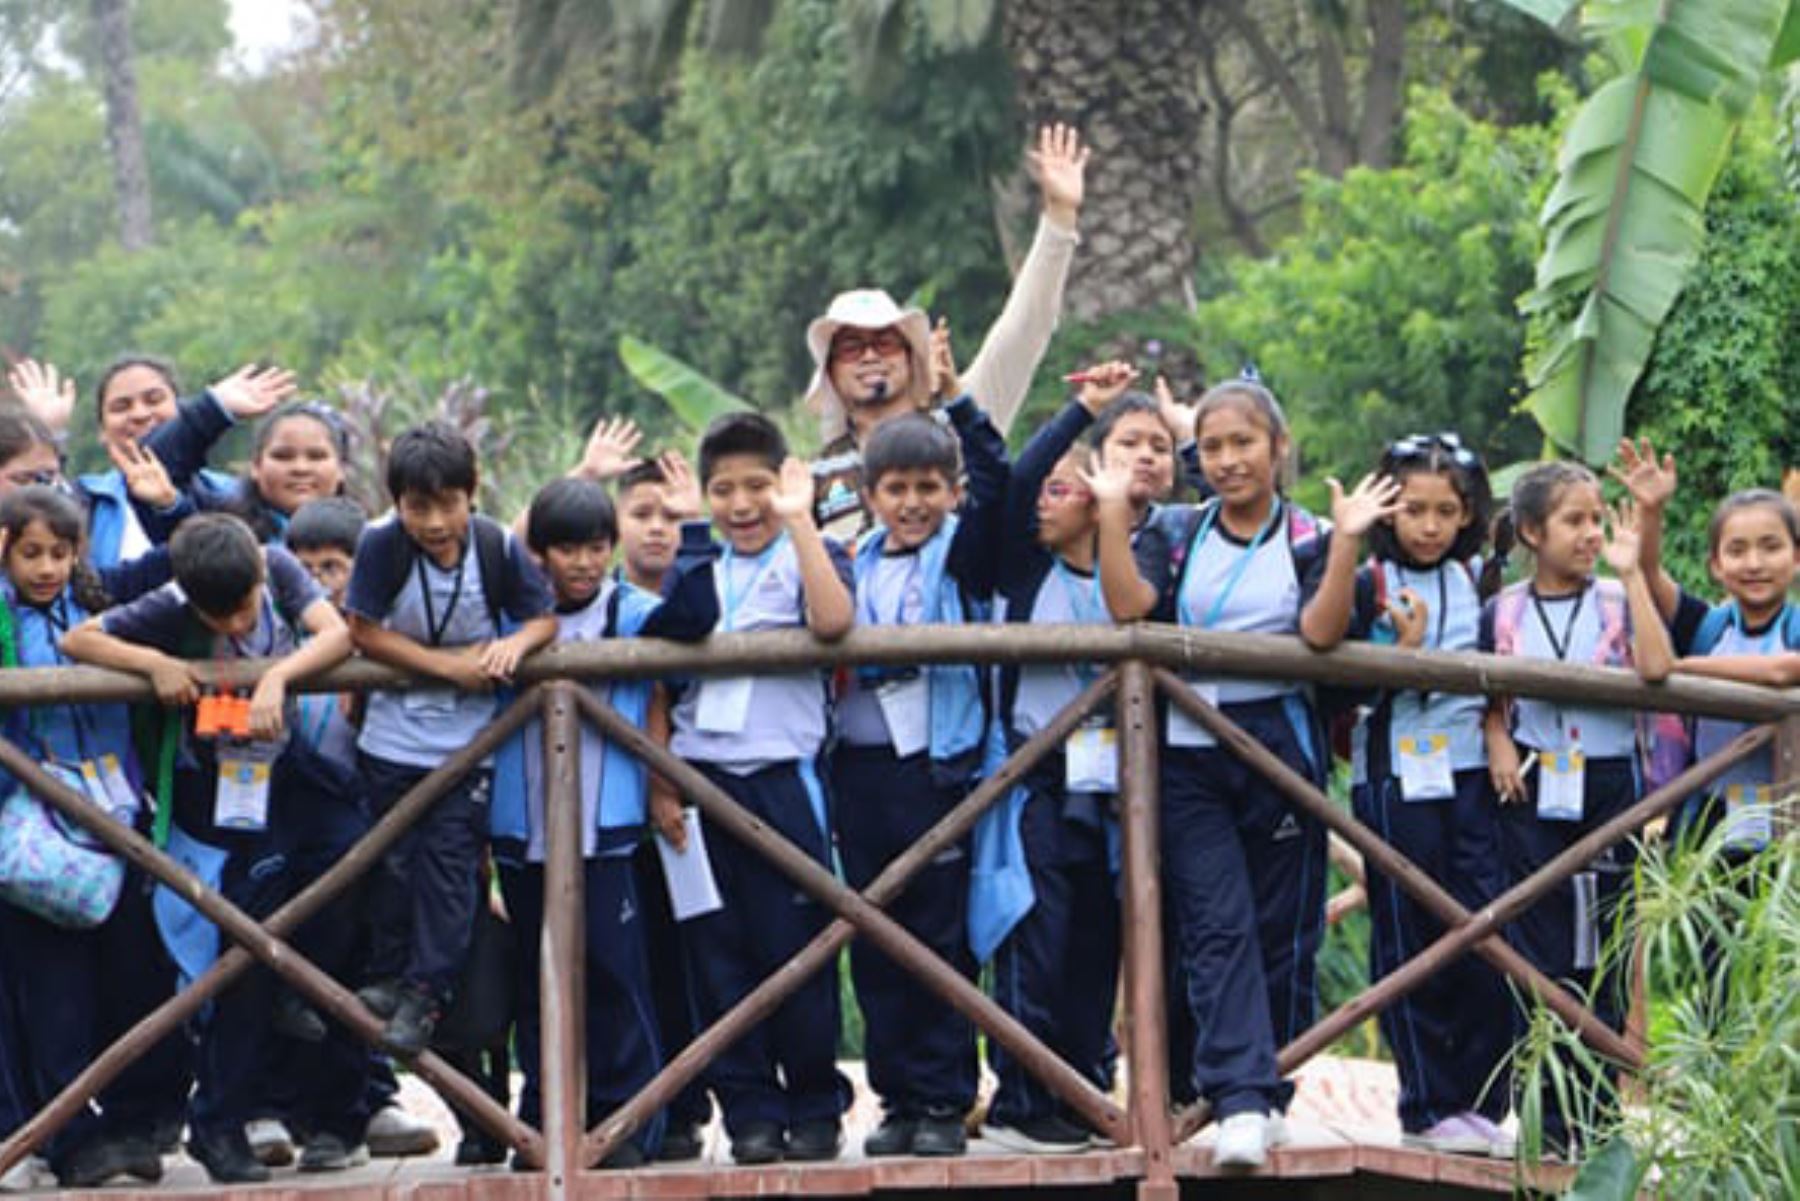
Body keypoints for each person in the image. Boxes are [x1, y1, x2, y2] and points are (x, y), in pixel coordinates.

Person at [61, 514, 359, 1183]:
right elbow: (78, 638)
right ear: (188, 597)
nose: (232, 624)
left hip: (291, 777)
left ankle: (323, 1057)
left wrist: (277, 677)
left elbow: (338, 633)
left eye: (244, 608)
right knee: (242, 957)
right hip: (216, 803)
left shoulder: (278, 566)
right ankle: (219, 1123)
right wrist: (158, 661)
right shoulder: (172, 601)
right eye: (215, 615)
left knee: (350, 873)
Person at [1089, 378, 1331, 1169]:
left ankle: (1272, 1089)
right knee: (1215, 922)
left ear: (1278, 448)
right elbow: (1131, 608)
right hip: (1190, 750)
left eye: (1244, 444)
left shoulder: (1310, 535)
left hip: (1279, 743)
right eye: (1215, 446)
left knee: (1282, 929)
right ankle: (1237, 1100)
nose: (1228, 460)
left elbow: (1326, 634)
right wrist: (1111, 518)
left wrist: (1354, 542)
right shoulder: (1175, 530)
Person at [490, 472, 717, 1167]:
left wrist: (695, 529)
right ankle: (546, 1122)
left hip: (604, 829)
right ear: (540, 554)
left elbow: (694, 620)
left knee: (617, 978)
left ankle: (628, 1125)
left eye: (595, 548)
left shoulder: (625, 608)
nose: (583, 563)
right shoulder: (509, 617)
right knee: (538, 981)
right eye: (566, 550)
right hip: (522, 831)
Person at [1297, 433, 1514, 1156]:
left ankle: (1484, 1097)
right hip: (1392, 778)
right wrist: (1402, 658)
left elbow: (1497, 674)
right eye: (1414, 508)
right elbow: (1329, 672)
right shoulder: (1371, 582)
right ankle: (1426, 1102)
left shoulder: (1483, 580)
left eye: (1444, 509)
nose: (1428, 524)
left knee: (1484, 923)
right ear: (1390, 509)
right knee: (1407, 933)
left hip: (1471, 777)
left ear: (1466, 514)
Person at [669, 412, 853, 1165]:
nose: (741, 505)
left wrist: (799, 520)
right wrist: (688, 532)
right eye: (723, 490)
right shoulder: (701, 562)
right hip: (700, 784)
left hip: (782, 782)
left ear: (782, 482)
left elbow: (834, 620)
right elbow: (678, 627)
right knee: (718, 953)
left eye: (757, 487)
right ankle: (748, 1108)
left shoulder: (807, 550)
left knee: (798, 951)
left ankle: (814, 1101)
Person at [1479, 462, 1673, 1156]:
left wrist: (1634, 575)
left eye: (1597, 518)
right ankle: (1546, 1116)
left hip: (1608, 788)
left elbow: (1655, 667)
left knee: (1605, 944)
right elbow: (1487, 699)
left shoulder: (1619, 602)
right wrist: (1498, 738)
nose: (1592, 532)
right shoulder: (1502, 610)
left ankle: (1597, 1114)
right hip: (1531, 790)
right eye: (1575, 520)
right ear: (1532, 531)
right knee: (1539, 946)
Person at [345, 422, 556, 1057]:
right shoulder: (382, 545)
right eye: (418, 507)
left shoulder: (494, 546)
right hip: (390, 741)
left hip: (468, 745)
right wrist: (447, 666)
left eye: (447, 504)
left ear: (473, 493)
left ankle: (426, 995)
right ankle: (387, 977)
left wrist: (512, 645)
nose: (435, 522)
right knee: (391, 865)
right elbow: (363, 630)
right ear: (397, 503)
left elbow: (542, 619)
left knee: (451, 873)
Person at [833, 398, 1006, 1159]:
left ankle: (943, 1096)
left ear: (953, 492)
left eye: (929, 488)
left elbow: (1003, 482)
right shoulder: (856, 561)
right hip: (860, 770)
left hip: (935, 766)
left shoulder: (963, 555)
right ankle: (897, 1095)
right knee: (873, 935)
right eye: (896, 489)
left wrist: (958, 402)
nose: (912, 504)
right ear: (870, 496)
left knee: (937, 934)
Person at [0, 487, 173, 1189]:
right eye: (29, 552)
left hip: (119, 819)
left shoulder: (104, 613)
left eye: (59, 553)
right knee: (54, 993)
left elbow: (183, 564)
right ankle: (72, 1136)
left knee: (136, 977)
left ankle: (136, 1121)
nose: (45, 567)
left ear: (79, 555)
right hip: (35, 833)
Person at [971, 377, 1122, 1156]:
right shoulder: (1027, 570)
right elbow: (1017, 479)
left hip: (1112, 784)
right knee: (1038, 930)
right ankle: (1024, 1092)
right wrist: (1081, 415)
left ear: (1098, 496)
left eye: (1068, 488)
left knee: (1101, 935)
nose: (1045, 501)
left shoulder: (1130, 566)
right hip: (1036, 775)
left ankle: (1080, 1082)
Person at [8, 356, 295, 566]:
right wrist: (47, 434)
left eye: (154, 399)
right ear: (102, 431)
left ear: (182, 409)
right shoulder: (86, 499)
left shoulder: (229, 495)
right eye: (121, 406)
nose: (140, 413)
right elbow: (33, 514)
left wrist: (212, 411)